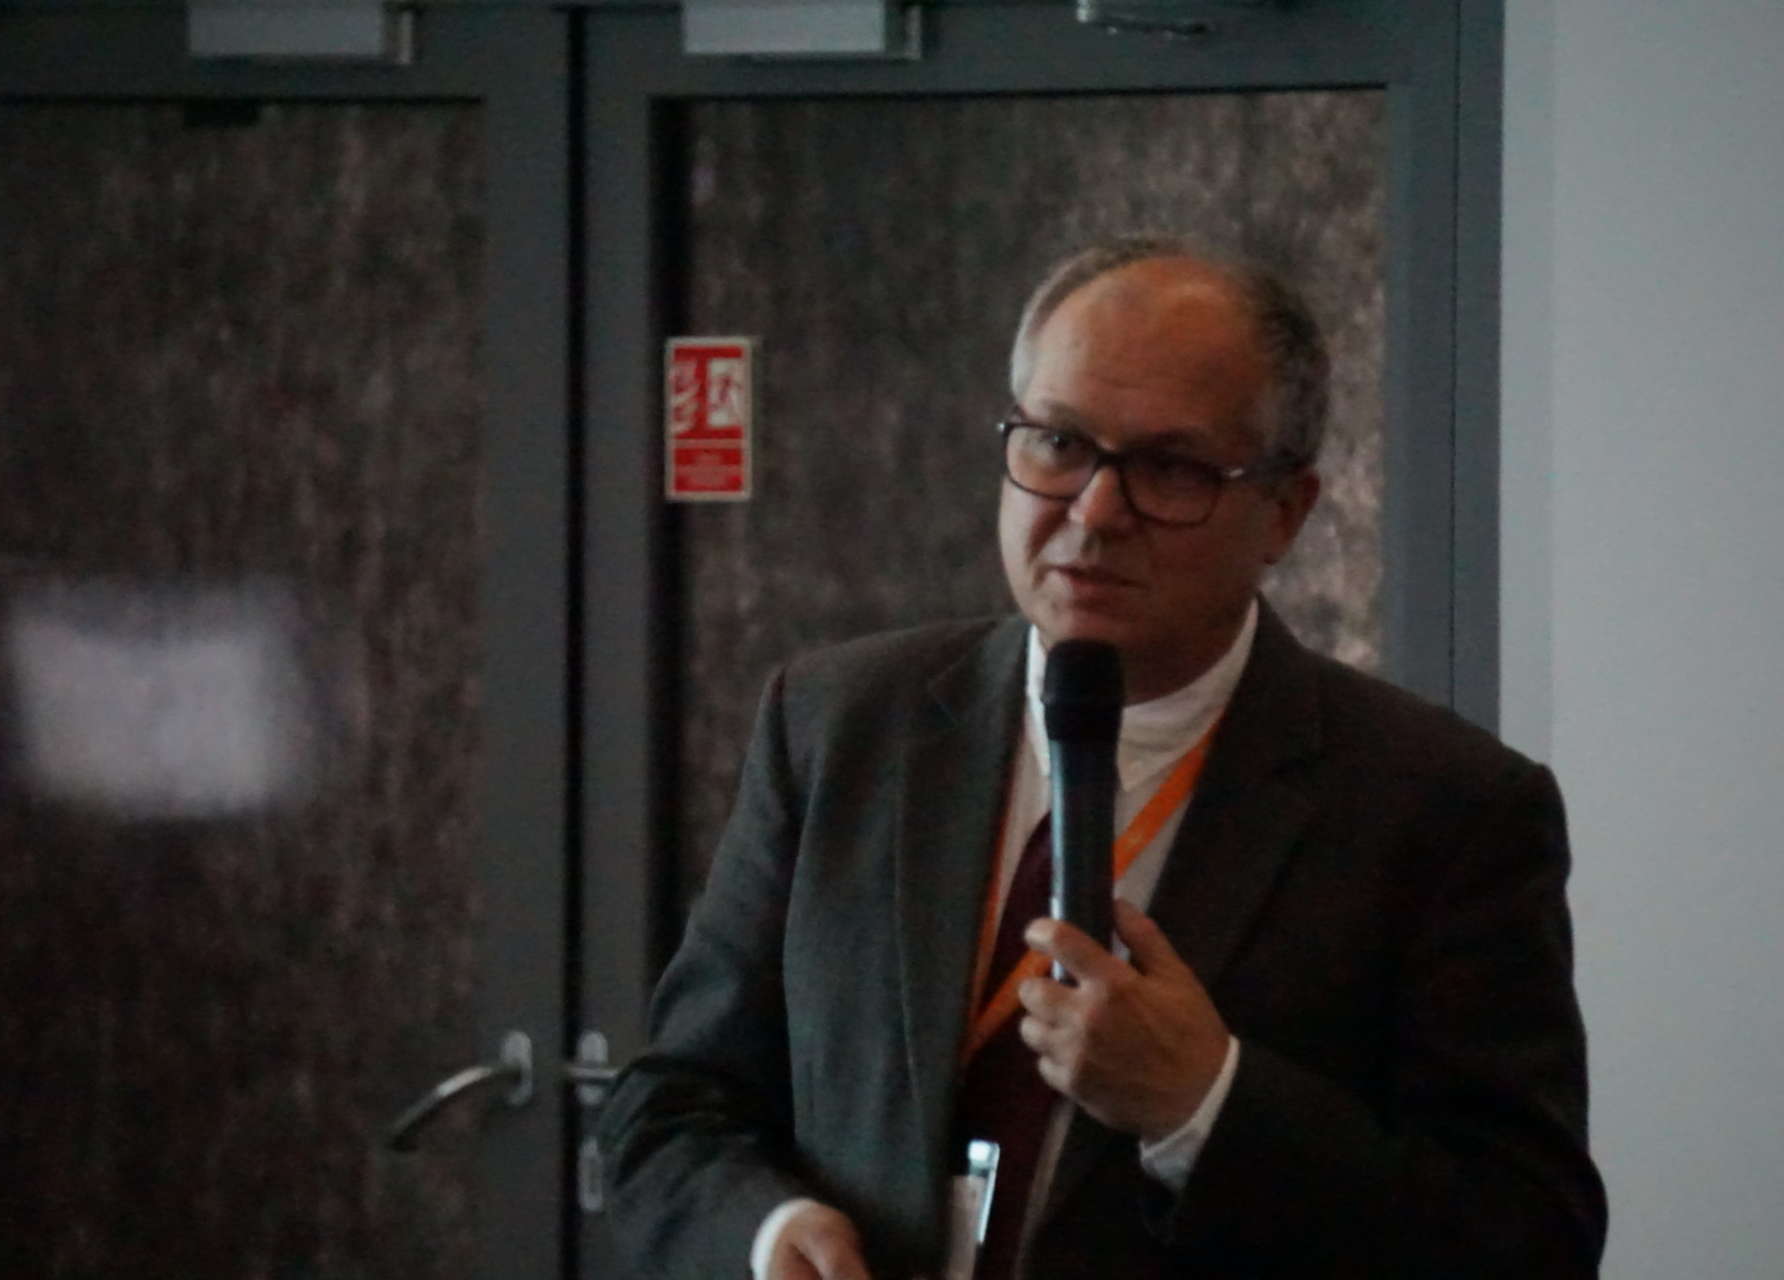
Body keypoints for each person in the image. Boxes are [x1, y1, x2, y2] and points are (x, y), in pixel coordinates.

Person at [599, 237, 1607, 1279]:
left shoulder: (1443, 808)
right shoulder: (839, 725)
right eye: (1058, 442)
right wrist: (766, 1234)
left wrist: (1204, 1103)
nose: (1093, 511)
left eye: (1169, 467)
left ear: (1285, 513)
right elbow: (671, 1108)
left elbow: (1529, 1237)